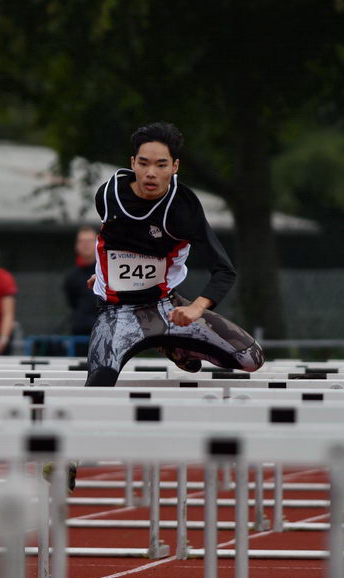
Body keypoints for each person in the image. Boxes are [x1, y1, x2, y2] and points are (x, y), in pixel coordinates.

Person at [59, 123, 265, 490]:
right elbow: (110, 243)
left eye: (160, 165)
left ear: (175, 166)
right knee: (100, 377)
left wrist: (197, 307)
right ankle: (65, 458)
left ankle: (174, 345)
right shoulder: (109, 195)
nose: (151, 173)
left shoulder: (183, 208)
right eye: (143, 164)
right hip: (117, 313)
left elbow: (224, 270)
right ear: (132, 163)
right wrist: (102, 277)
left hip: (168, 308)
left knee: (251, 358)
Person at [62, 226, 99, 353]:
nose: (86, 245)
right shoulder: (71, 276)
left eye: (89, 241)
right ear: (76, 246)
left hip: (104, 330)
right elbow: (72, 302)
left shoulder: (107, 272)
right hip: (80, 334)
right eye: (82, 241)